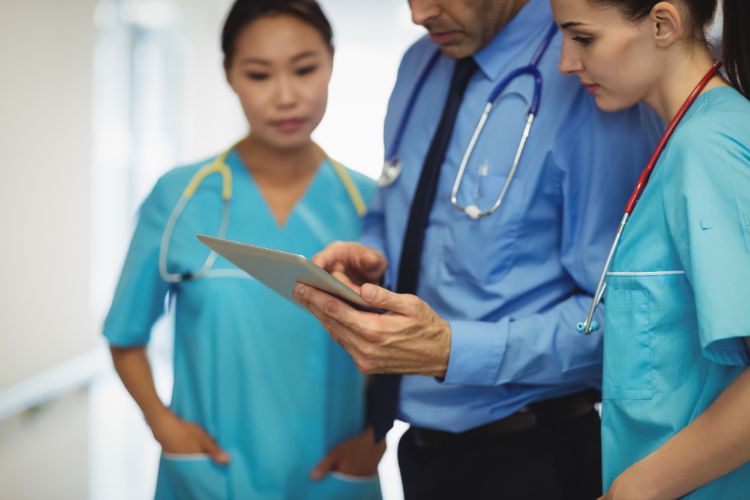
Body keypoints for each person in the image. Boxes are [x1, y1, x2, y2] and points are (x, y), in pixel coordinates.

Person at [293, 0, 661, 498]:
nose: (418, 14)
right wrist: (371, 260)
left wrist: (454, 351)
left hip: (532, 457)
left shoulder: (590, 73)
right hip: (422, 452)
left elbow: (623, 319)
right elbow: (391, 206)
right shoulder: (417, 64)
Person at [103, 1, 384, 498]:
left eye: (305, 69)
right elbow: (126, 336)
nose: (285, 97)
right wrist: (162, 425)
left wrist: (376, 436)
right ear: (229, 74)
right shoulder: (180, 197)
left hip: (331, 479)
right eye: (258, 74)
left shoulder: (372, 205)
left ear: (332, 61)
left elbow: (405, 342)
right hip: (211, 478)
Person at [551, 0, 750, 498]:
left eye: (583, 38)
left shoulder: (709, 145)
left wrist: (632, 490)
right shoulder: (686, 136)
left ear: (662, 23)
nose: (565, 62)